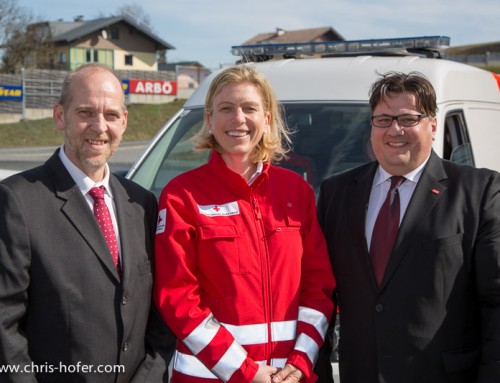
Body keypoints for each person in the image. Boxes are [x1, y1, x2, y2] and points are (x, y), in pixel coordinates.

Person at [153, 65, 335, 383]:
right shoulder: (181, 196)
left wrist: (301, 359)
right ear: (209, 119)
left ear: (266, 120)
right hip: (210, 377)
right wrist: (244, 371)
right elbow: (177, 296)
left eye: (249, 108)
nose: (238, 119)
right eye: (226, 108)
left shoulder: (296, 191)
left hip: (289, 377)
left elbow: (318, 286)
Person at [315, 71, 500, 382]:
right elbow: (319, 295)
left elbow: (496, 302)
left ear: (432, 124)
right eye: (383, 119)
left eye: (408, 118)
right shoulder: (337, 193)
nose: (394, 130)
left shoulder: (479, 190)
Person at [0, 63, 175, 382]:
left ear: (123, 121)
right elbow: (4, 328)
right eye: (85, 112)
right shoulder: (17, 201)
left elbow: (160, 317)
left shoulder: (143, 204)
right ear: (59, 116)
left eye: (110, 115)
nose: (99, 126)